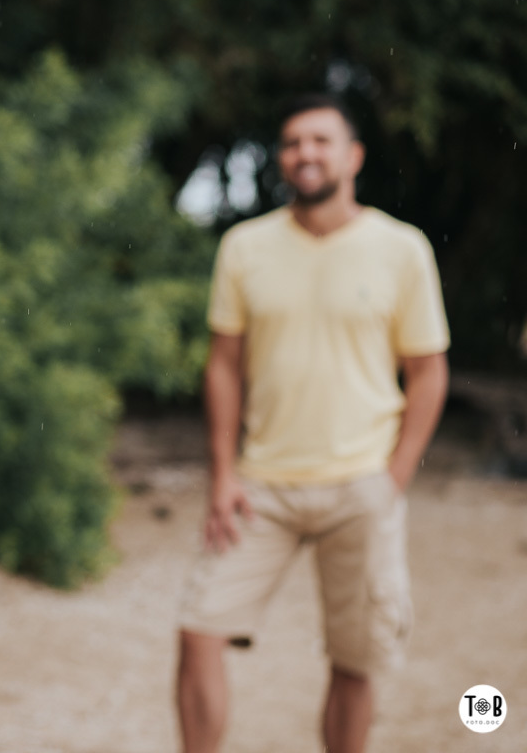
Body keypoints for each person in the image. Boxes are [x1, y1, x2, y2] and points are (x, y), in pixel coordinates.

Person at [175, 94, 449, 753]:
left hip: (362, 483)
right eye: (294, 142)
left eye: (322, 141)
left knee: (356, 660)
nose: (305, 153)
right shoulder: (245, 246)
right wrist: (222, 474)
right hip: (260, 484)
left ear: (353, 157)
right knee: (199, 630)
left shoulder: (401, 249)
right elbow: (223, 367)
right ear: (282, 158)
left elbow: (428, 371)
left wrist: (395, 477)